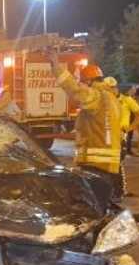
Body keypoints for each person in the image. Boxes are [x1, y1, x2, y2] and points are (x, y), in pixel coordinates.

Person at [47, 51, 124, 200]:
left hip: (95, 164)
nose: (81, 84)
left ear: (89, 81)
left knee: (92, 204)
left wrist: (56, 66)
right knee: (102, 203)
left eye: (82, 82)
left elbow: (75, 90)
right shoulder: (111, 98)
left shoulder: (96, 95)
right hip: (107, 164)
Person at [118, 85, 139, 158]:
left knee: (128, 139)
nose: (134, 91)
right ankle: (126, 152)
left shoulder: (128, 99)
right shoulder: (126, 99)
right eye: (132, 89)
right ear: (127, 91)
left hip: (125, 125)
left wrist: (132, 126)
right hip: (122, 127)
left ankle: (127, 151)